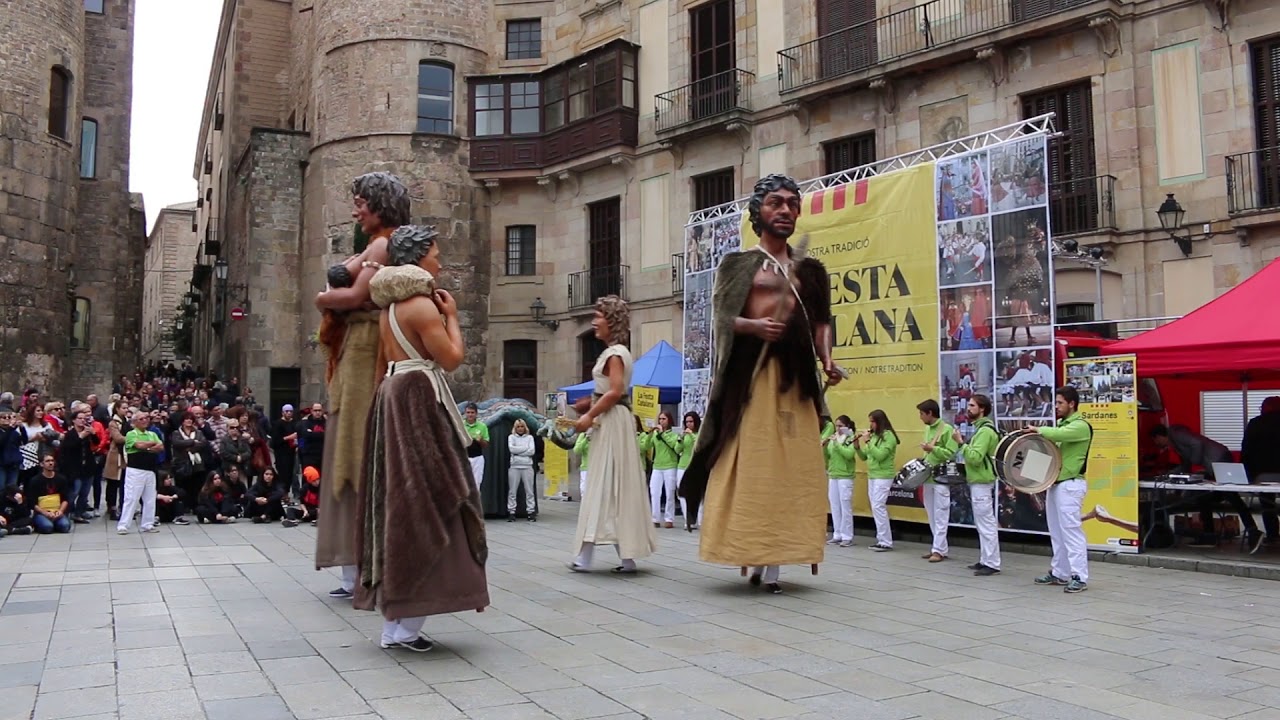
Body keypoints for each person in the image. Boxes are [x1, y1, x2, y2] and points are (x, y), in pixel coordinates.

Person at [679, 174, 840, 594]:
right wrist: (754, 325)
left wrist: (827, 359)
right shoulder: (738, 264)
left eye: (792, 203)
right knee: (753, 468)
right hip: (751, 381)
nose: (785, 210)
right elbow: (721, 320)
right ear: (758, 212)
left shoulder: (811, 271)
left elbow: (821, 324)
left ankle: (776, 562)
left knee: (794, 472)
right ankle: (749, 549)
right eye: (775, 203)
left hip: (796, 382)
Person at [356, 224, 489, 653]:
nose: (439, 259)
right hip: (418, 398)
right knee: (432, 499)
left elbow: (381, 366)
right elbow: (450, 359)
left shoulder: (388, 310)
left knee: (400, 500)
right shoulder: (420, 306)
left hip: (392, 397)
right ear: (417, 257)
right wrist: (453, 317)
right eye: (434, 251)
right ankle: (408, 626)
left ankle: (395, 625)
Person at [315, 172, 410, 601]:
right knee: (349, 443)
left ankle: (356, 567)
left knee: (354, 443)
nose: (355, 211)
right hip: (359, 345)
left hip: (366, 347)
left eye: (360, 203)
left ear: (378, 204)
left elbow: (353, 296)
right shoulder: (377, 246)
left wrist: (323, 298)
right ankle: (352, 566)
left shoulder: (382, 245)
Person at [569, 296, 658, 574]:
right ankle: (623, 557)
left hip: (612, 422)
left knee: (604, 481)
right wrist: (588, 403)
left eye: (598, 316)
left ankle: (586, 556)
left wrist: (589, 415)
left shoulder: (615, 354)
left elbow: (616, 391)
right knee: (614, 483)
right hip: (614, 419)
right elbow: (611, 391)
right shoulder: (616, 352)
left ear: (611, 320)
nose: (594, 321)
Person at [1152, 423, 1260, 548]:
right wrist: (1170, 475)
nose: (1157, 444)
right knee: (1206, 497)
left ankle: (1251, 531)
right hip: (1216, 461)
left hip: (1218, 460)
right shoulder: (1175, 443)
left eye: (1155, 441)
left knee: (1230, 495)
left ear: (1159, 436)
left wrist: (1195, 460)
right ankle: (1212, 535)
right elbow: (1185, 465)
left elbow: (1197, 443)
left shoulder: (1176, 434)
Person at [1028, 386, 1093, 593]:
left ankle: (1079, 576)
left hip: (1071, 484)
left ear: (1072, 404)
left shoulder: (1080, 426)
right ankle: (1060, 572)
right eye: (1055, 402)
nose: (1056, 406)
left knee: (1071, 532)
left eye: (1059, 403)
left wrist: (1039, 430)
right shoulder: (1063, 426)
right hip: (1056, 484)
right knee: (1057, 533)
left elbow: (1059, 434)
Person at [956, 394, 1000, 575]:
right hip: (979, 481)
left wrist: (961, 444)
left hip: (982, 482)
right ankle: (986, 559)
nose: (968, 408)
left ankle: (992, 562)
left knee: (986, 523)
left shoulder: (984, 431)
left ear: (982, 409)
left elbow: (975, 458)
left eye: (972, 405)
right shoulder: (982, 429)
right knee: (982, 523)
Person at [917, 399, 959, 563]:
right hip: (928, 477)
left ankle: (938, 550)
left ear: (930, 413)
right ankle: (939, 547)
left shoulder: (947, 429)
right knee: (932, 515)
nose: (920, 417)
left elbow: (951, 453)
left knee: (941, 515)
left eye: (922, 414)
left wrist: (932, 448)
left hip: (941, 478)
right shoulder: (928, 429)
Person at [855, 409, 899, 552]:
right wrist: (857, 447)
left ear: (880, 422)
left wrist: (868, 441)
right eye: (870, 422)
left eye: (873, 422)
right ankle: (881, 539)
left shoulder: (889, 436)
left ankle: (886, 541)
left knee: (878, 506)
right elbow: (864, 457)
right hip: (873, 475)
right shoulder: (874, 436)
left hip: (884, 475)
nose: (871, 425)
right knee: (875, 506)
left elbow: (880, 456)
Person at [117, 411, 164, 535]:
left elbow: (161, 446)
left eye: (146, 418)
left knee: (150, 499)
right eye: (141, 419)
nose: (145, 421)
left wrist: (147, 446)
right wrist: (151, 445)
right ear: (134, 422)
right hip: (135, 470)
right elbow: (138, 445)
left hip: (150, 470)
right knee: (131, 498)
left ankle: (148, 524)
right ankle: (123, 525)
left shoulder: (152, 433)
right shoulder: (131, 434)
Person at [1243, 396, 1280, 547]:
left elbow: (1246, 449)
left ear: (1266, 408)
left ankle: (1272, 535)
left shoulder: (1255, 423)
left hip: (1262, 474)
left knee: (1267, 504)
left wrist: (1247, 473)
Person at [824, 415, 857, 548]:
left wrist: (837, 444)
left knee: (845, 506)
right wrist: (825, 446)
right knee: (835, 506)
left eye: (840, 426)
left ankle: (847, 536)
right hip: (833, 474)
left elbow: (849, 455)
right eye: (836, 426)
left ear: (847, 426)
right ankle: (837, 534)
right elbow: (829, 455)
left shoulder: (850, 438)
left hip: (845, 476)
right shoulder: (834, 438)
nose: (837, 428)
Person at [647, 412, 681, 529]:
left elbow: (674, 445)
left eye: (664, 419)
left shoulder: (674, 433)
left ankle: (669, 518)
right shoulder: (656, 433)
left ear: (669, 420)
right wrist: (650, 434)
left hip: (670, 465)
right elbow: (646, 446)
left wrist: (662, 433)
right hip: (657, 466)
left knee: (670, 492)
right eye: (660, 419)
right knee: (654, 492)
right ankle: (655, 518)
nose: (661, 421)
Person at [26, 454, 72, 534]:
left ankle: (56, 523)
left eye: (52, 461)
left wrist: (60, 511)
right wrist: (45, 513)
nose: (50, 463)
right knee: (47, 528)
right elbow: (32, 503)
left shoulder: (61, 479)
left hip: (57, 511)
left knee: (65, 526)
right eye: (47, 461)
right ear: (41, 464)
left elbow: (65, 499)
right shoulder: (35, 481)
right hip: (42, 513)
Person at [507, 419, 537, 521]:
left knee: (529, 490)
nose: (520, 429)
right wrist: (525, 449)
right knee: (512, 490)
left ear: (525, 427)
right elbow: (511, 449)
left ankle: (531, 511)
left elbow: (532, 451)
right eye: (518, 427)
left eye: (522, 426)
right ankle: (511, 511)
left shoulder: (529, 438)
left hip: (527, 465)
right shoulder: (511, 437)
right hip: (515, 466)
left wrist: (518, 451)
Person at [675, 412, 700, 528]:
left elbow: (699, 445)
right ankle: (688, 520)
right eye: (686, 422)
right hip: (682, 465)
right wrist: (680, 438)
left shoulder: (698, 434)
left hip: (695, 466)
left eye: (691, 421)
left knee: (695, 493)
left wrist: (691, 435)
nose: (688, 424)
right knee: (682, 494)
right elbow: (677, 449)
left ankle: (698, 519)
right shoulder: (684, 435)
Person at [271, 404, 299, 497]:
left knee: (291, 474)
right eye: (287, 411)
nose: (289, 413)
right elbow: (275, 441)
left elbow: (300, 435)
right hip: (281, 453)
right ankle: (283, 493)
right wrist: (288, 437)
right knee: (283, 474)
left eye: (290, 411)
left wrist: (300, 446)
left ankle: (287, 492)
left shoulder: (295, 423)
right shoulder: (278, 424)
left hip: (292, 451)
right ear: (283, 413)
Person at [463, 403, 489, 489]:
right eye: (468, 412)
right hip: (464, 457)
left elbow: (486, 444)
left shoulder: (482, 426)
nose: (470, 415)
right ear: (465, 413)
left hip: (477, 458)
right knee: (464, 483)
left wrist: (480, 440)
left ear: (476, 413)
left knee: (476, 483)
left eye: (472, 412)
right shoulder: (461, 425)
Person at [572, 431, 590, 500]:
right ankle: (585, 502)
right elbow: (576, 450)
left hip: (599, 468)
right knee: (584, 488)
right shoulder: (583, 435)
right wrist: (586, 439)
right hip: (586, 467)